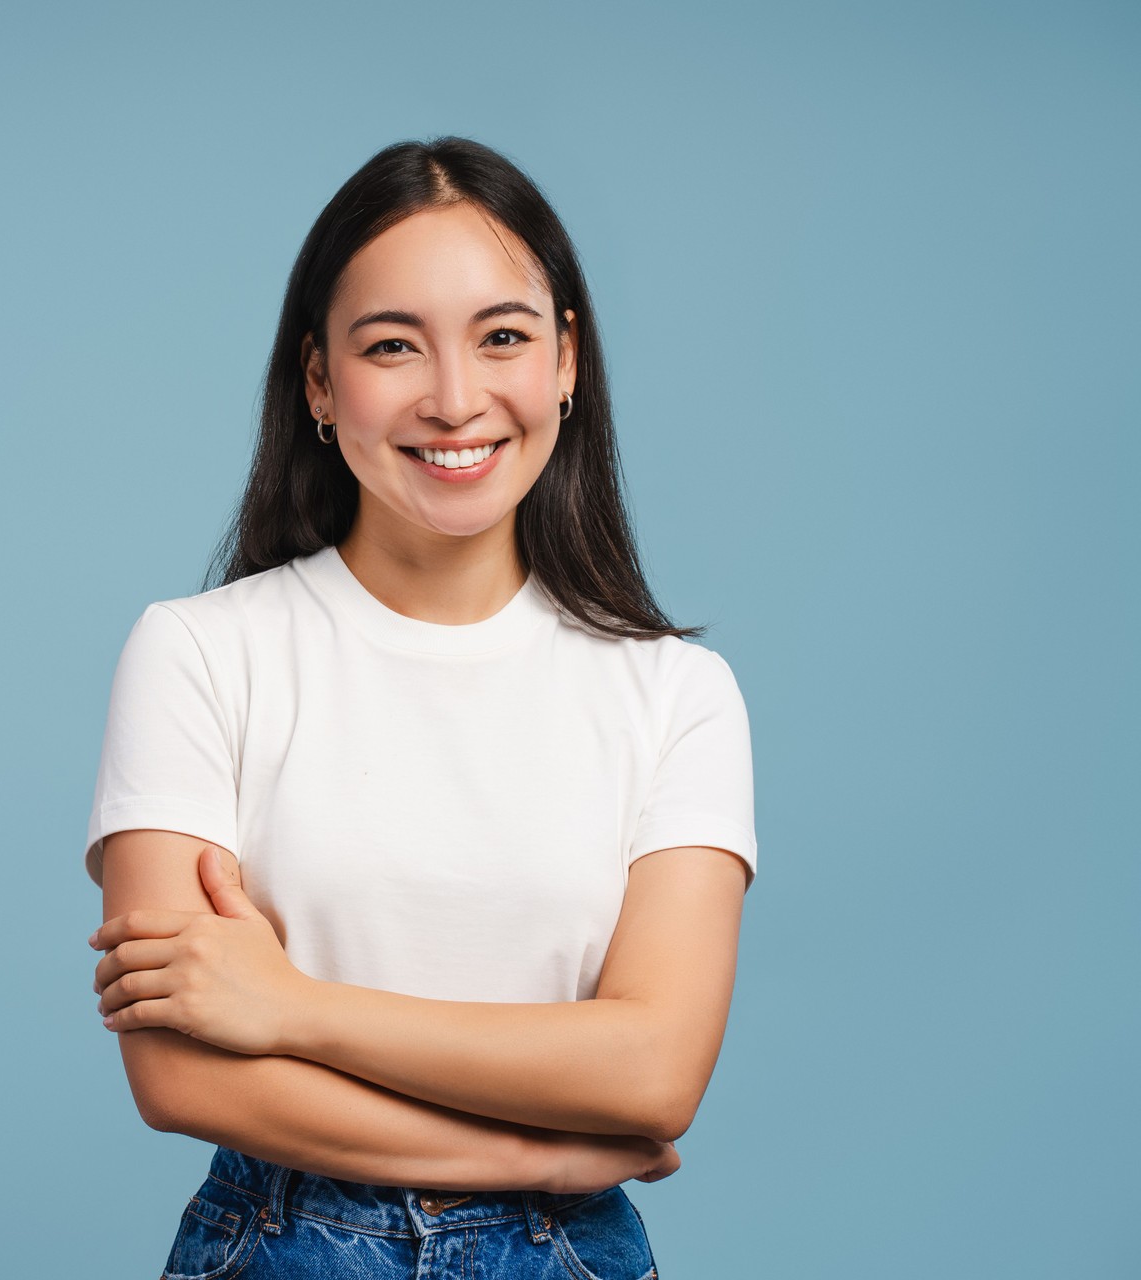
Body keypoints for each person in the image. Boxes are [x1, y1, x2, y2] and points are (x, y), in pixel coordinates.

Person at [82, 136, 756, 1280]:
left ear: (566, 363)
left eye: (502, 336)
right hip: (286, 1244)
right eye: (393, 345)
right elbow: (181, 1077)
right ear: (318, 382)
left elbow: (654, 1071)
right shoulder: (197, 652)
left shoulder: (675, 693)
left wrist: (293, 1006)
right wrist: (541, 1156)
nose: (455, 398)